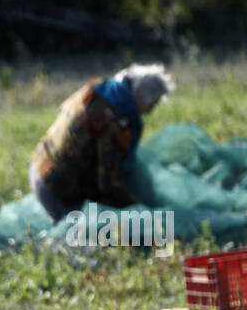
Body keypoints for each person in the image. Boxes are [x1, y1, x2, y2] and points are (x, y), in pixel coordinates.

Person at [30, 63, 176, 222]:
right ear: (140, 96)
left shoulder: (100, 90)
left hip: (39, 167)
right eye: (152, 104)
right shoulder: (112, 121)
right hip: (57, 188)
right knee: (81, 238)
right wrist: (141, 211)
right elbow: (109, 184)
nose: (150, 111)